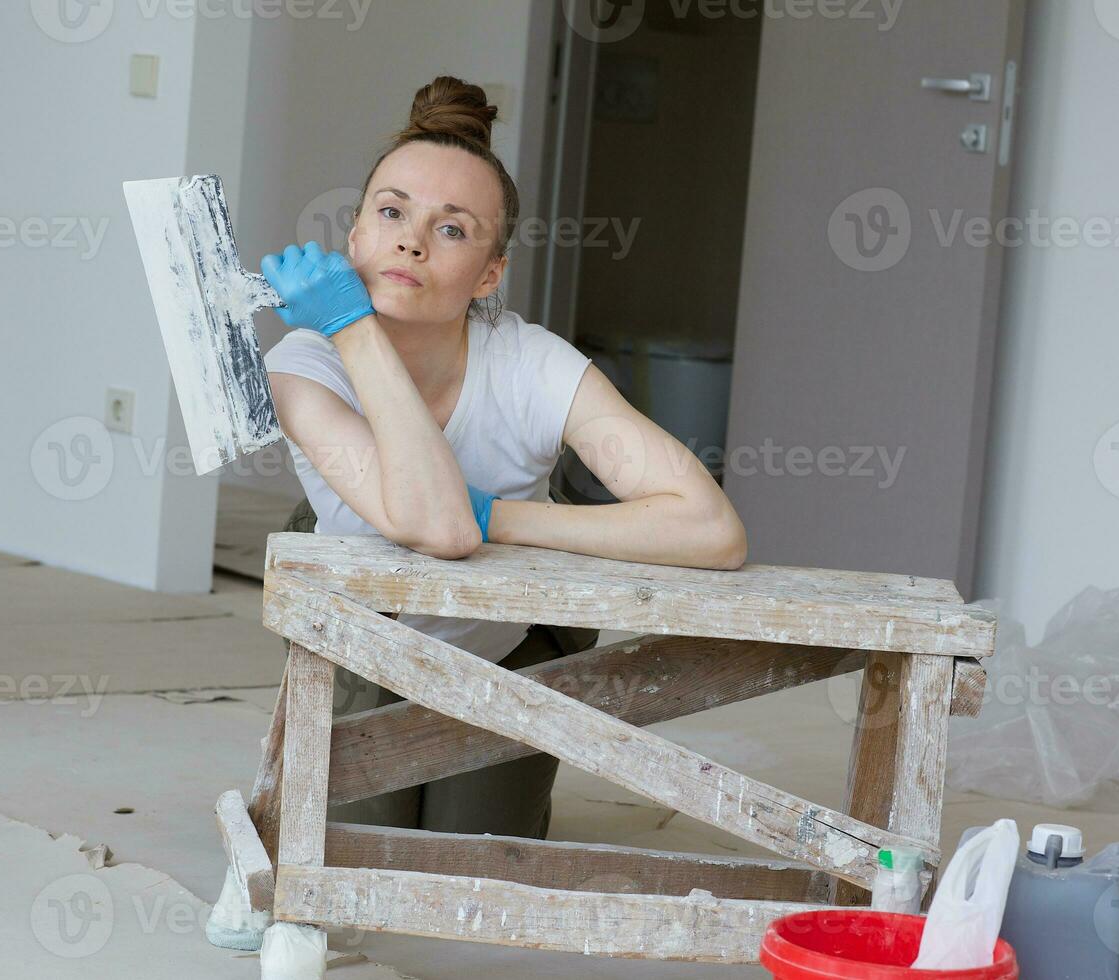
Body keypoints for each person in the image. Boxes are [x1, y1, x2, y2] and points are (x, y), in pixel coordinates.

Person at [206, 75, 746, 951]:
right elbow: (435, 524)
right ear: (353, 236)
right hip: (368, 642)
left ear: (489, 274)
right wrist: (351, 330)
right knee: (360, 873)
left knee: (466, 869)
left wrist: (502, 514)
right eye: (390, 213)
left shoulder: (529, 362)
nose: (411, 242)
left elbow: (710, 530)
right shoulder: (308, 365)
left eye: (451, 229)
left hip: (500, 650)